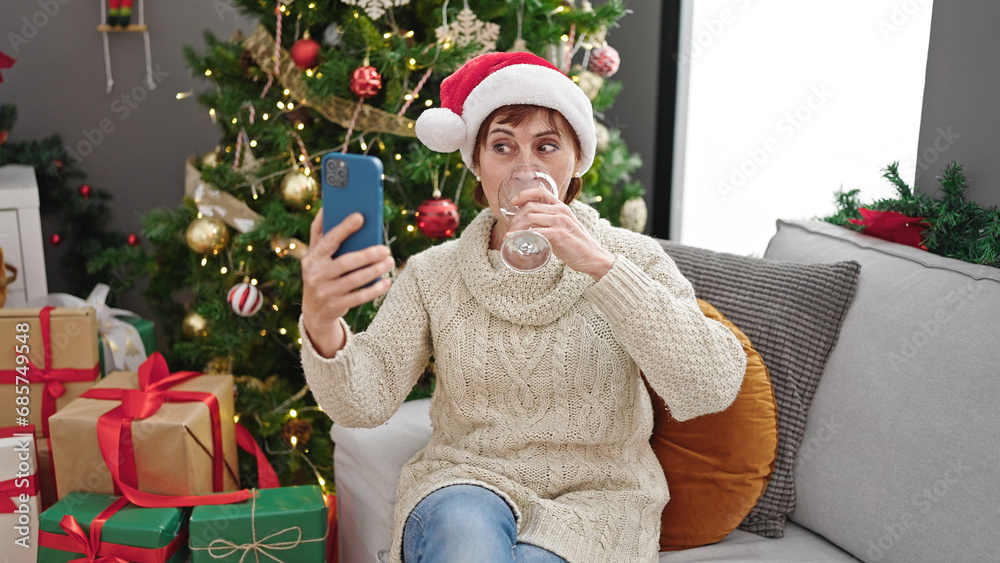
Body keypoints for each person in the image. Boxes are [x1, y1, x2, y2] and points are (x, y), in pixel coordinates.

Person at [300, 52, 747, 563]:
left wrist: (602, 269)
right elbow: (365, 402)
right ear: (479, 164)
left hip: (599, 503)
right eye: (503, 146)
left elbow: (711, 385)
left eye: (548, 145)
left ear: (577, 159)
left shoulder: (632, 258)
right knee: (466, 544)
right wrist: (320, 323)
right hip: (466, 485)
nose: (526, 168)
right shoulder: (434, 273)